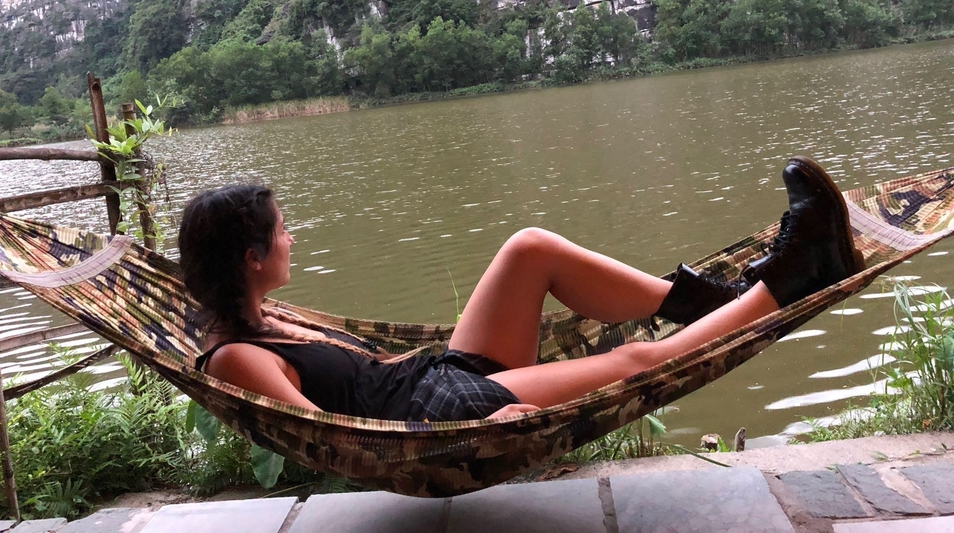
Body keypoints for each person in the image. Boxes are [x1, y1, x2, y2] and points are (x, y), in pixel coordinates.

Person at [180, 156, 863, 422]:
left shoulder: (259, 316)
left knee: (529, 250)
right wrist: (475, 430)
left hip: (436, 375)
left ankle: (713, 301)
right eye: (283, 230)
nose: (294, 238)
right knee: (633, 364)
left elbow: (360, 373)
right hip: (437, 414)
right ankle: (787, 281)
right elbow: (336, 435)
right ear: (251, 257)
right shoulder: (236, 356)